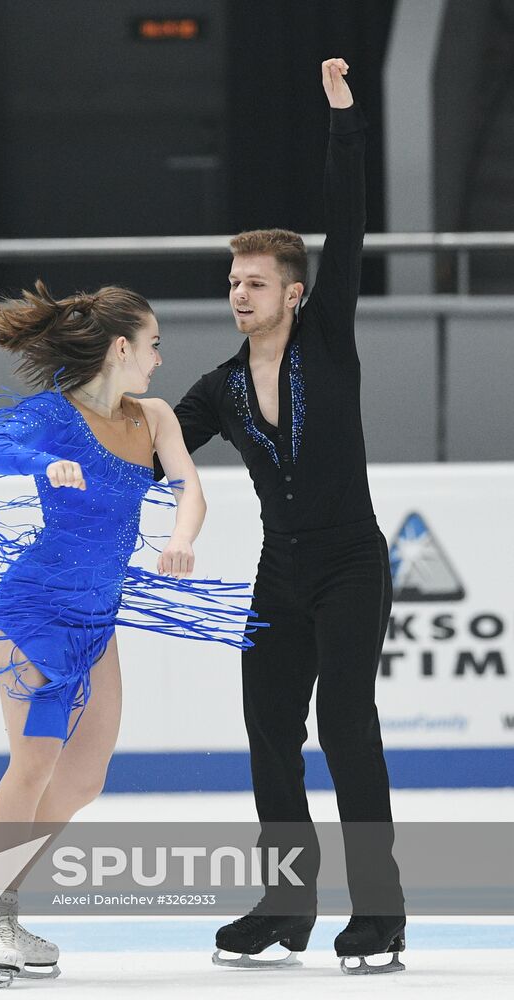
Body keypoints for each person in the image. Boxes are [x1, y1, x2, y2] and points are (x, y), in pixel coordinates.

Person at [0, 281, 262, 986]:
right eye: (152, 346)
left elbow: (189, 488)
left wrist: (180, 537)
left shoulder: (153, 418)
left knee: (83, 779)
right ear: (121, 348)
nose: (157, 361)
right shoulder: (52, 415)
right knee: (36, 760)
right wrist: (39, 462)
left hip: (97, 619)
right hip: (34, 608)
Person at [153, 59, 406, 974]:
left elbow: (349, 221)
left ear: (291, 293)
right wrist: (91, 443)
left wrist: (344, 121)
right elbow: (156, 451)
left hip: (349, 562)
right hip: (279, 570)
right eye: (232, 281)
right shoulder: (217, 389)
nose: (238, 293)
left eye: (254, 282)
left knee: (344, 721)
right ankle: (287, 904)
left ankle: (379, 909)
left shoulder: (327, 336)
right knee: (269, 729)